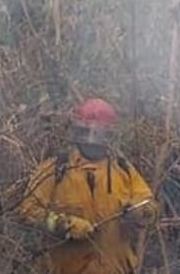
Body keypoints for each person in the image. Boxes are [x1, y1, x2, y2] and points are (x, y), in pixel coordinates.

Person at [17, 97, 159, 273]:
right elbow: (27, 211)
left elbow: (150, 206)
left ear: (110, 135)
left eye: (100, 134)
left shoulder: (123, 171)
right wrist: (66, 225)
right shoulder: (55, 170)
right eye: (87, 132)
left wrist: (138, 211)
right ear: (77, 132)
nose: (93, 140)